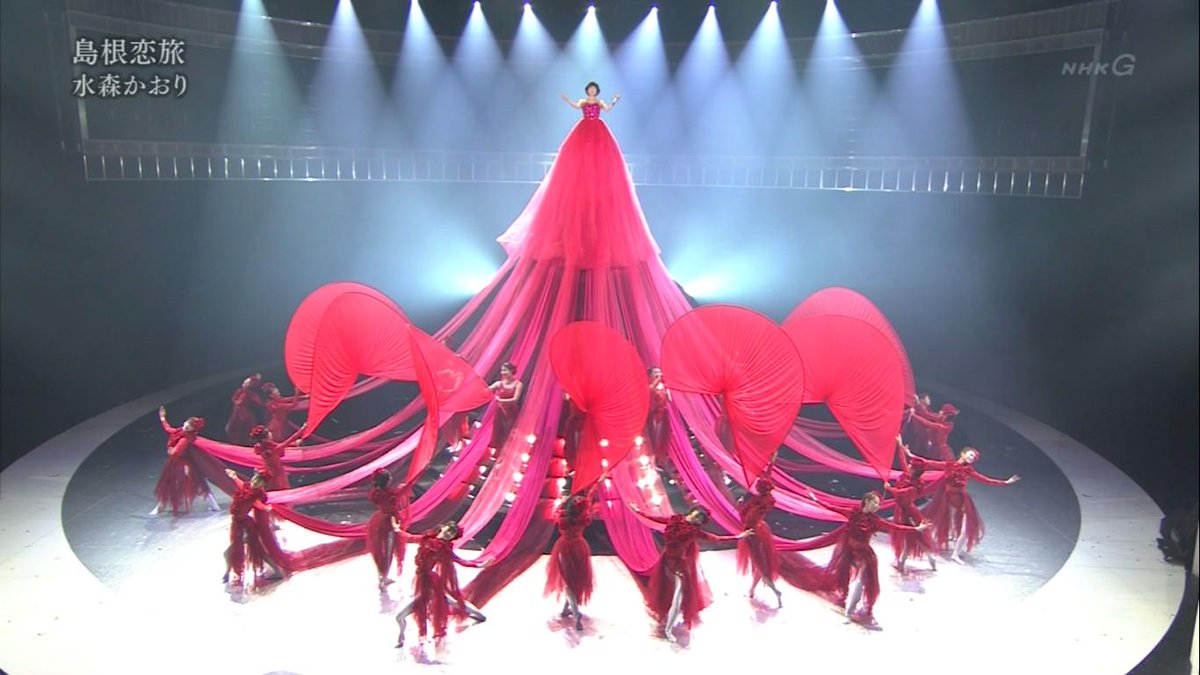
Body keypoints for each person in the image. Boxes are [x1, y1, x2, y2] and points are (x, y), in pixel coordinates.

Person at [497, 82, 659, 269]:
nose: (592, 91)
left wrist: (614, 100)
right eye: (590, 89)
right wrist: (567, 100)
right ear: (587, 91)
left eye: (594, 90)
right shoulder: (583, 102)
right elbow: (576, 106)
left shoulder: (598, 103)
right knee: (578, 154)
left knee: (599, 154)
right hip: (583, 129)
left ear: (596, 91)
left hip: (598, 129)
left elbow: (607, 109)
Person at [805, 489, 930, 625]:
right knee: (843, 574)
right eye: (875, 503)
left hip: (863, 553)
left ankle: (849, 612)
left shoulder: (875, 521)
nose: (877, 506)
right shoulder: (853, 513)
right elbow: (833, 508)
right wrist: (816, 500)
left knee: (861, 581)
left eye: (878, 504)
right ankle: (845, 599)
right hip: (849, 550)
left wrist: (915, 529)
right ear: (867, 501)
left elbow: (894, 527)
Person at [634, 505, 747, 641]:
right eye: (697, 516)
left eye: (700, 520)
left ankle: (668, 630)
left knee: (678, 597)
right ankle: (666, 619)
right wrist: (637, 511)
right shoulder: (673, 520)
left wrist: (737, 537)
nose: (697, 520)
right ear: (692, 511)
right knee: (665, 591)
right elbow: (654, 518)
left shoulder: (694, 531)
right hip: (666, 561)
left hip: (680, 564)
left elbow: (715, 538)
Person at [395, 522, 487, 648]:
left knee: (401, 616)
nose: (448, 534)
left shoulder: (444, 549)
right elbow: (410, 537)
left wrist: (478, 565)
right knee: (449, 601)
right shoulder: (426, 539)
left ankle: (401, 638)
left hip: (428, 583)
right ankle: (401, 637)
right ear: (442, 528)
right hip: (423, 580)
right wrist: (397, 530)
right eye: (448, 530)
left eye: (451, 534)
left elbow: (460, 560)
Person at [922, 446, 1020, 562]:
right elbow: (930, 463)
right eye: (970, 455)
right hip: (947, 499)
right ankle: (930, 541)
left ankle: (955, 554)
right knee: (940, 521)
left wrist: (1005, 482)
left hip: (962, 501)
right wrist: (909, 455)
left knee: (965, 528)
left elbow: (985, 480)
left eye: (974, 457)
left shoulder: (969, 470)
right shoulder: (949, 465)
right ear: (963, 454)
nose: (972, 458)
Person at [545, 482, 602, 630]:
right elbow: (589, 500)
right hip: (580, 547)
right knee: (575, 579)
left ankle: (576, 613)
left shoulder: (562, 517)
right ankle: (566, 609)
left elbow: (554, 514)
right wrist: (597, 484)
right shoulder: (583, 517)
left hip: (564, 548)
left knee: (568, 582)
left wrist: (563, 501)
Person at [222, 468, 286, 589]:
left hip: (245, 527)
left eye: (259, 481)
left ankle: (228, 572)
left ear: (263, 484)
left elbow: (259, 505)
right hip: (238, 524)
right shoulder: (247, 487)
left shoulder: (255, 495)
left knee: (253, 551)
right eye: (255, 478)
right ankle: (227, 572)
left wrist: (267, 508)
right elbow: (241, 485)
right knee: (246, 551)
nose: (255, 481)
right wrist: (234, 476)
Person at [152, 407, 220, 516]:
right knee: (175, 485)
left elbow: (176, 452)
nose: (187, 425)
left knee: (192, 484)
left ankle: (214, 504)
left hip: (182, 465)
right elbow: (169, 429)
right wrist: (162, 418)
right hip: (176, 463)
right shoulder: (180, 432)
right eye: (187, 423)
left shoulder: (185, 439)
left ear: (192, 429)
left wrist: (170, 450)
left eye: (190, 426)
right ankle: (160, 506)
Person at [886, 437, 939, 573]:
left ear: (915, 471)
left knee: (911, 537)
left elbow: (900, 492)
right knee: (910, 537)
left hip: (907, 512)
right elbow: (902, 460)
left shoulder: (914, 486)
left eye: (911, 466)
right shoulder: (907, 475)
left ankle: (903, 563)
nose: (908, 466)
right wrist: (899, 445)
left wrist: (889, 488)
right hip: (902, 509)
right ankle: (903, 562)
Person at [736, 478, 783, 607]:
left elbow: (746, 519)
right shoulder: (768, 500)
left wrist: (740, 506)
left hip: (752, 532)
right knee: (758, 563)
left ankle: (775, 591)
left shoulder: (756, 502)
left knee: (759, 563)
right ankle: (752, 590)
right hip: (760, 528)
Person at [368, 468, 412, 591]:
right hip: (389, 523)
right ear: (387, 481)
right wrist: (423, 469)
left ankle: (382, 576)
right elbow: (409, 484)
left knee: (379, 550)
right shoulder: (392, 493)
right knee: (388, 550)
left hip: (378, 521)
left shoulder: (375, 493)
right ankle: (383, 578)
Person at [250, 423, 306, 491]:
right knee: (279, 489)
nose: (270, 433)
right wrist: (302, 429)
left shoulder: (262, 447)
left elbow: (283, 444)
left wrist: (295, 443)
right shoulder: (272, 449)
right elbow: (288, 441)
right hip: (277, 472)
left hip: (269, 470)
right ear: (265, 437)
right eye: (268, 432)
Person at [488, 362, 523, 450]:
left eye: (505, 370)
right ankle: (496, 451)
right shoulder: (499, 383)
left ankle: (507, 450)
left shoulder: (518, 384)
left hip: (511, 412)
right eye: (502, 370)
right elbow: (486, 391)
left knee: (509, 431)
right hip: (500, 411)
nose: (502, 373)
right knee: (498, 430)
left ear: (511, 371)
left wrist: (501, 401)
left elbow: (515, 399)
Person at [225, 373, 266, 444]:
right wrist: (238, 402)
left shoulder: (251, 393)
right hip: (237, 410)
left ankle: (247, 439)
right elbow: (234, 398)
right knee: (234, 425)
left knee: (248, 423)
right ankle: (235, 438)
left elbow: (259, 402)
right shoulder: (240, 391)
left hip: (245, 411)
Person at [645, 367, 672, 467]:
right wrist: (658, 380)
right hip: (653, 415)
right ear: (650, 376)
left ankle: (661, 460)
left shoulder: (663, 386)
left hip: (663, 414)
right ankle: (654, 460)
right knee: (654, 437)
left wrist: (667, 387)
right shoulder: (648, 387)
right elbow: (651, 390)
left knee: (663, 437)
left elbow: (669, 399)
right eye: (655, 372)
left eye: (659, 372)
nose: (658, 374)